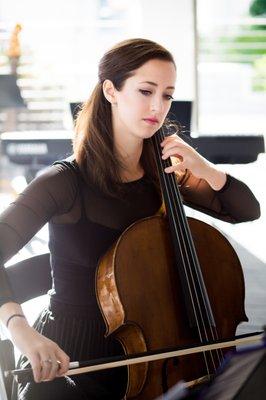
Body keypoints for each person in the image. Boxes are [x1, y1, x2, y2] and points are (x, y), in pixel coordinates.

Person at [0, 38, 261, 400]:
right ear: (111, 90)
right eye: (145, 91)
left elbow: (247, 210)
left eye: (167, 95)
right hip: (75, 360)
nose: (158, 107)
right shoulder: (64, 182)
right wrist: (21, 330)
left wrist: (204, 168)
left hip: (158, 353)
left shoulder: (164, 174)